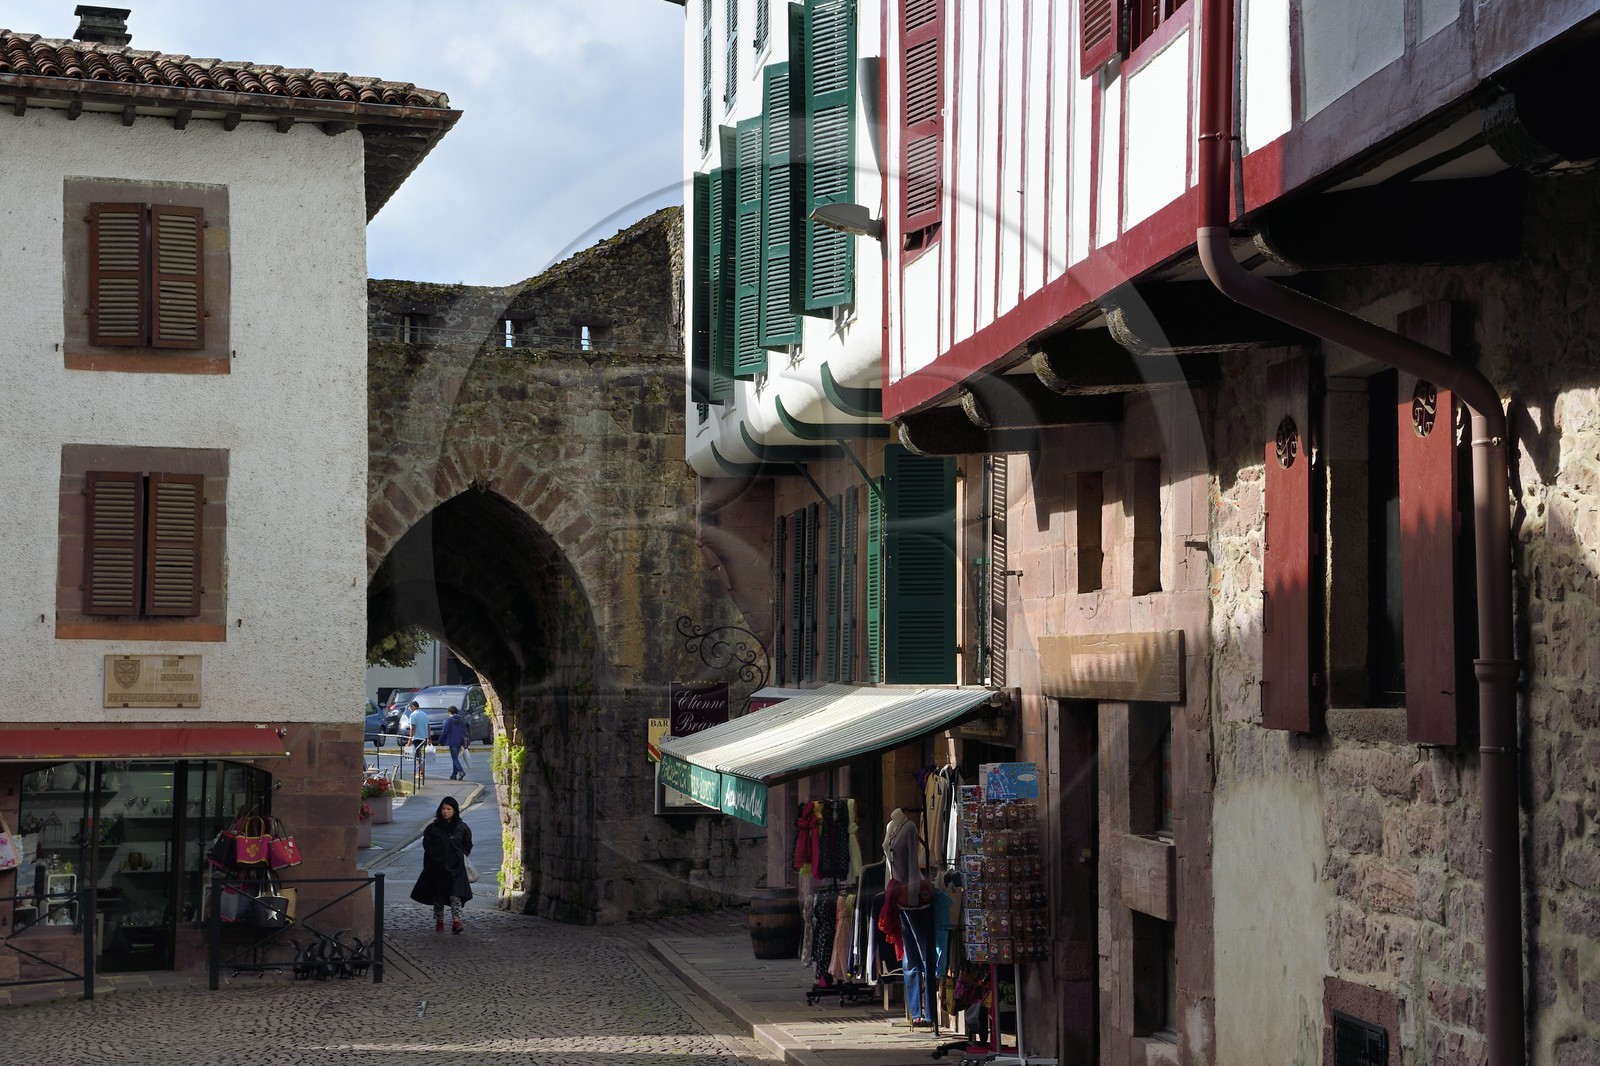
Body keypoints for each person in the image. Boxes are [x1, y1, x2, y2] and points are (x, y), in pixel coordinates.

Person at [885, 807, 934, 1027]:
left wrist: (914, 896)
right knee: (909, 957)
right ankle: (916, 1011)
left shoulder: (910, 828)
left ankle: (930, 1012)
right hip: (898, 895)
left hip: (913, 896)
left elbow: (914, 865)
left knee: (925, 955)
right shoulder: (891, 826)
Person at [409, 796, 473, 933]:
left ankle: (456, 921)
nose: (445, 811)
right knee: (439, 895)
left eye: (449, 809)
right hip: (437, 867)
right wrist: (434, 856)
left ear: (454, 811)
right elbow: (427, 844)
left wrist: (461, 855)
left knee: (455, 894)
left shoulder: (461, 827)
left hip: (456, 867)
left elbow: (467, 843)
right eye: (443, 808)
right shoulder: (433, 828)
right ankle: (440, 921)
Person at [438, 705, 469, 781]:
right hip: (460, 741)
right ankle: (454, 774)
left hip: (452, 741)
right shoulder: (461, 719)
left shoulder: (450, 720)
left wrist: (440, 740)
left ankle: (461, 771)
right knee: (455, 757)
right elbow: (465, 731)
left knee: (454, 758)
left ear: (450, 712)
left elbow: (445, 731)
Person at [407, 701, 431, 784]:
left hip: (417, 737)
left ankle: (421, 771)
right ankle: (421, 770)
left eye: (410, 707)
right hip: (424, 737)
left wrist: (409, 739)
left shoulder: (413, 715)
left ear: (413, 706)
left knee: (418, 755)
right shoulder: (424, 714)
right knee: (420, 754)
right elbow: (428, 726)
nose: (410, 709)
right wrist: (429, 737)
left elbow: (412, 727)